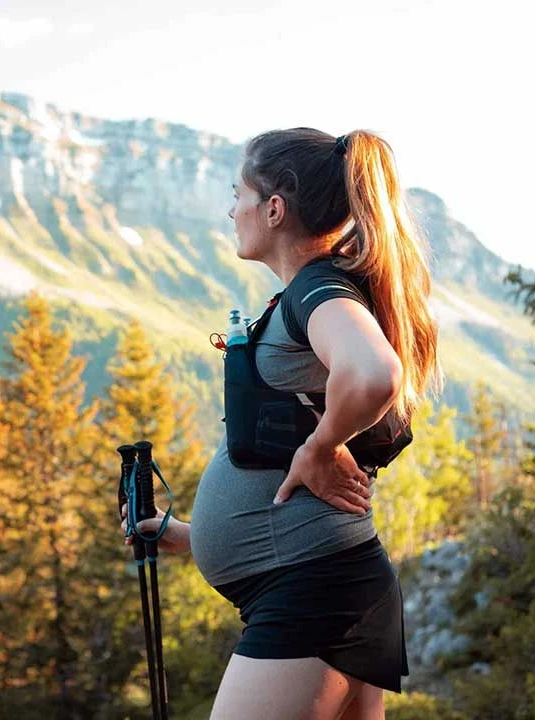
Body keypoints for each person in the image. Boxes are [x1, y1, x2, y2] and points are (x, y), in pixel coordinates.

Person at [125, 128, 442, 719]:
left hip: (311, 596)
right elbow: (286, 484)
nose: (230, 208)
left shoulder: (317, 289)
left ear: (274, 209)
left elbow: (375, 373)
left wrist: (322, 448)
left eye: (238, 193)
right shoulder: (311, 291)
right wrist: (195, 537)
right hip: (328, 585)